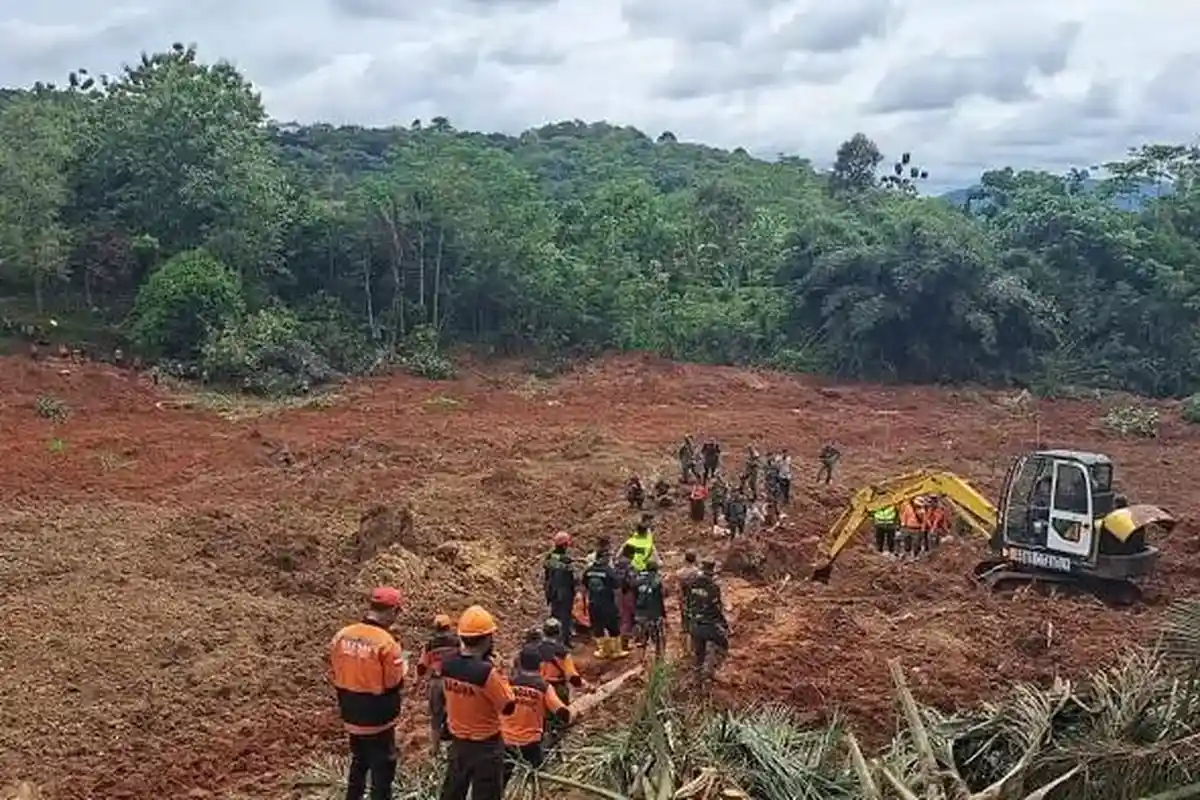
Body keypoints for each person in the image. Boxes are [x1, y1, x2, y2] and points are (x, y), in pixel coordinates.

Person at [329, 586, 409, 800]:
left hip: (350, 713)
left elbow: (335, 669)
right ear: (392, 611)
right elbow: (393, 683)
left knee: (359, 761)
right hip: (378, 718)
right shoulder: (386, 643)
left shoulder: (342, 636)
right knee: (383, 769)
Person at [438, 606, 516, 800]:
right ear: (488, 639)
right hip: (486, 746)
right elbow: (508, 707)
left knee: (453, 791)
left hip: (458, 743)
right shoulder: (486, 673)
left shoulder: (446, 664)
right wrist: (501, 674)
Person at [501, 649, 571, 790]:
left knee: (500, 780)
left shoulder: (507, 683)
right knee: (537, 778)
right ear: (540, 665)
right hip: (530, 742)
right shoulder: (543, 687)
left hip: (505, 740)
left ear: (519, 664)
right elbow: (562, 713)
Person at [416, 613, 460, 758]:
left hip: (436, 682)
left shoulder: (430, 645)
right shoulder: (457, 642)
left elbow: (421, 667)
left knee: (436, 716)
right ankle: (453, 747)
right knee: (454, 713)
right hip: (453, 682)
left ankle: (435, 749)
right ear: (448, 626)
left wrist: (419, 682)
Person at [684, 560, 729, 680]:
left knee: (699, 652)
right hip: (708, 625)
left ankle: (696, 679)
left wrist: (687, 623)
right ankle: (711, 671)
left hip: (694, 624)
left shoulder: (692, 584)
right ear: (712, 573)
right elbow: (716, 608)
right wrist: (724, 624)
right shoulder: (713, 587)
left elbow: (687, 603)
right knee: (723, 644)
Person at [583, 539, 627, 659]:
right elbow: (616, 584)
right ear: (603, 558)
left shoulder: (589, 571)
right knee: (612, 625)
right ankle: (616, 651)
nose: (609, 559)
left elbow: (585, 584)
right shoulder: (608, 571)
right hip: (607, 603)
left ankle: (603, 650)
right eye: (607, 557)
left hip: (593, 602)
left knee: (597, 626)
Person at [543, 531, 576, 647]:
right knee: (565, 617)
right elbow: (572, 578)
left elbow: (547, 574)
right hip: (565, 592)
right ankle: (565, 641)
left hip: (552, 591)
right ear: (565, 544)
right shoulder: (566, 560)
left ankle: (552, 640)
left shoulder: (549, 557)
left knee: (554, 615)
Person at [633, 559, 668, 659]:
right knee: (658, 641)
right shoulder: (657, 582)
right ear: (656, 570)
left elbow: (635, 597)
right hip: (653, 616)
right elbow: (661, 598)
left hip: (639, 614)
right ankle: (659, 662)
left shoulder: (638, 581)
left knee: (641, 641)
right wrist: (663, 615)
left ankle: (641, 662)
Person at [613, 543, 638, 652]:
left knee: (619, 618)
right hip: (627, 593)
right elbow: (632, 582)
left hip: (616, 592)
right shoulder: (629, 565)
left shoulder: (616, 564)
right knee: (626, 619)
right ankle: (623, 645)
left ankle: (616, 643)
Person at [674, 552, 701, 654]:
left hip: (684, 602)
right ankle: (694, 649)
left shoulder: (679, 573)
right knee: (695, 624)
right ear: (695, 560)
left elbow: (678, 590)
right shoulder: (698, 573)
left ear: (685, 560)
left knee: (684, 626)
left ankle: (685, 651)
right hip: (695, 601)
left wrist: (681, 602)